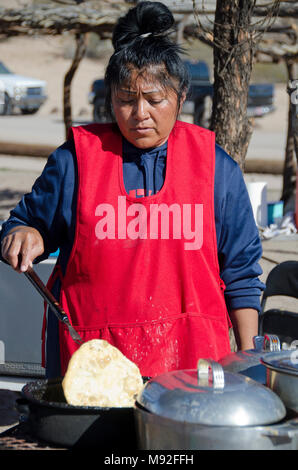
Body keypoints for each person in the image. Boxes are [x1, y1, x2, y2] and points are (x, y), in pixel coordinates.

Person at [0, 1, 264, 379]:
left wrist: (249, 360)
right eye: (126, 99)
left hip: (194, 369)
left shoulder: (215, 167)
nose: (140, 113)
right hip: (91, 367)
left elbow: (241, 271)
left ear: (181, 96)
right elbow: (24, 224)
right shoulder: (75, 161)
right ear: (110, 99)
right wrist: (23, 234)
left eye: (154, 100)